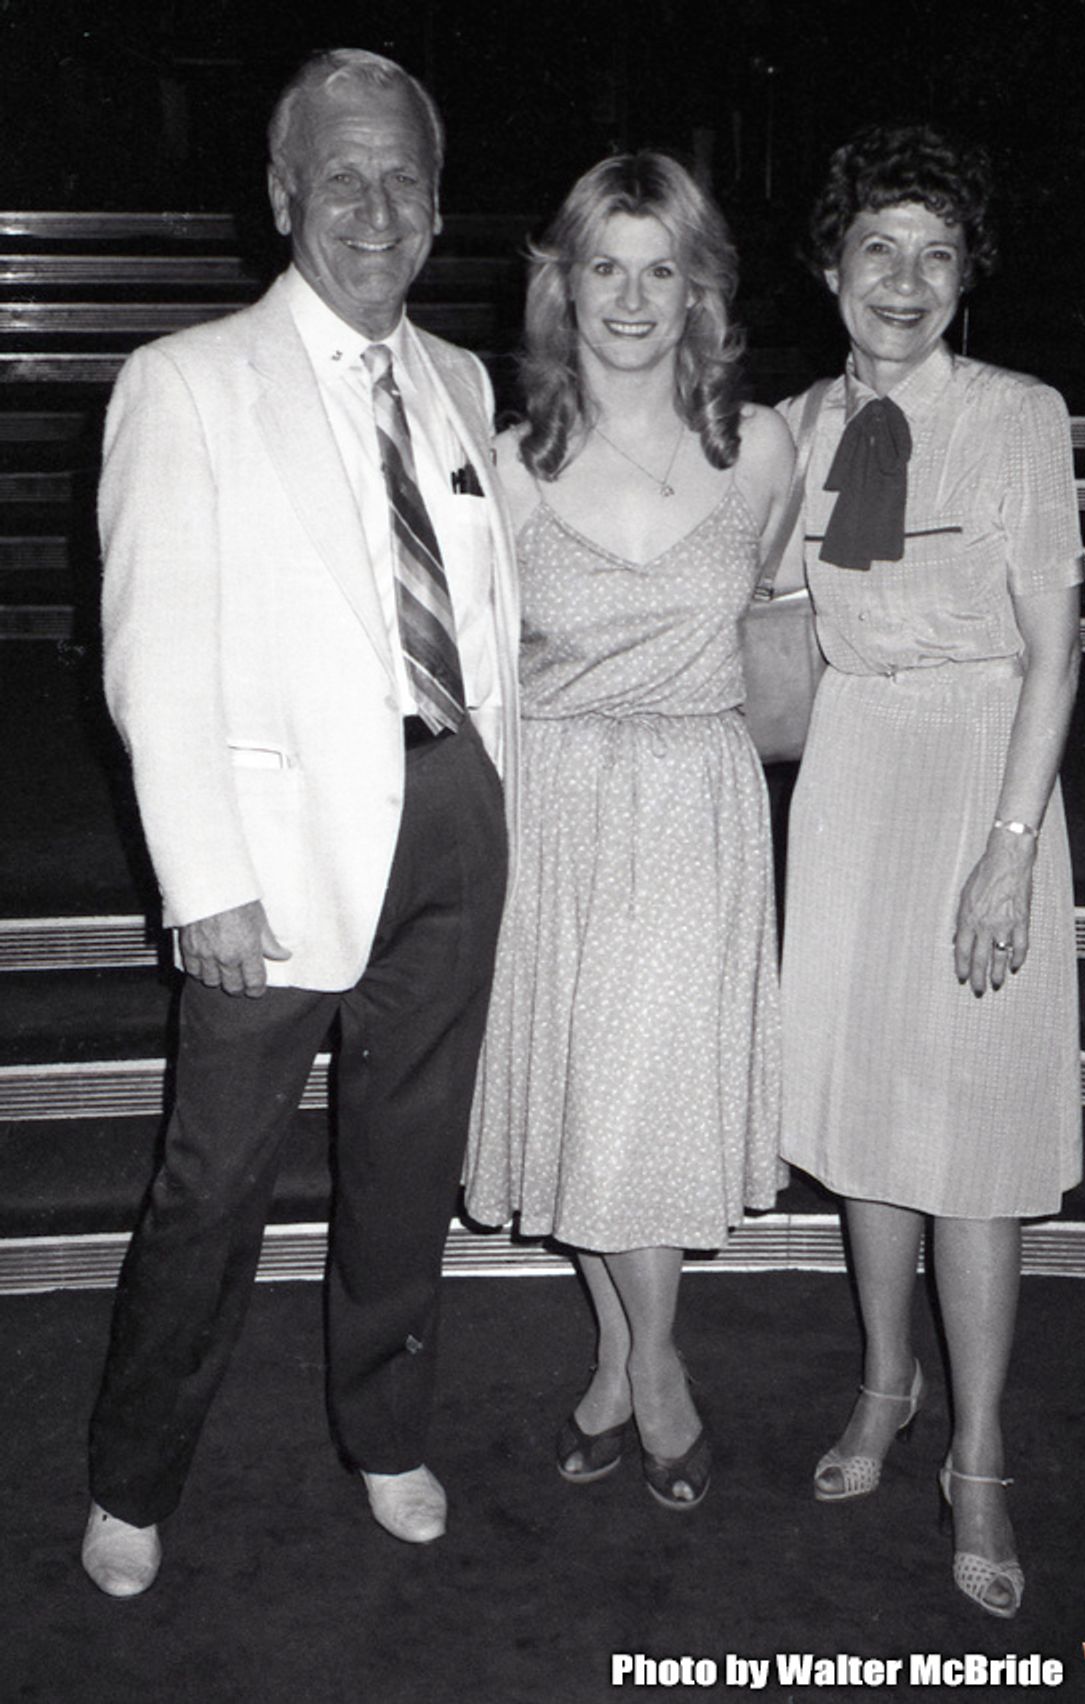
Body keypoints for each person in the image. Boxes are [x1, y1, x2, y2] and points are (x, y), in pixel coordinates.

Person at [80, 48, 520, 1596]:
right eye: (342, 174)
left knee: (407, 1164)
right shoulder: (186, 383)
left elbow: (478, 617)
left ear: (437, 199)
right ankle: (134, 1476)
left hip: (449, 817)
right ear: (281, 197)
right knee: (211, 1183)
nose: (376, 206)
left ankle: (387, 1432)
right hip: (266, 856)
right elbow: (151, 653)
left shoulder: (460, 384)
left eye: (404, 176)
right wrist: (201, 877)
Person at [778, 125, 1082, 1617]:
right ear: (830, 269)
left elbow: (1056, 645)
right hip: (847, 781)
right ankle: (887, 1386)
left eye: (937, 252)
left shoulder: (1020, 415)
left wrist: (1011, 852)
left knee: (973, 1134)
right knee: (872, 1107)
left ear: (968, 277)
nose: (906, 281)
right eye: (878, 249)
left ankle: (981, 1452)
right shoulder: (792, 428)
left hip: (980, 783)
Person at [464, 152, 794, 1509]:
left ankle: (638, 1370)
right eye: (607, 263)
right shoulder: (509, 463)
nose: (634, 296)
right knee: (597, 1108)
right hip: (562, 810)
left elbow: (786, 611)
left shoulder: (759, 442)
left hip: (702, 806)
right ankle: (639, 1367)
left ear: (700, 287)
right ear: (563, 280)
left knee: (642, 1109)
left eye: (664, 267)